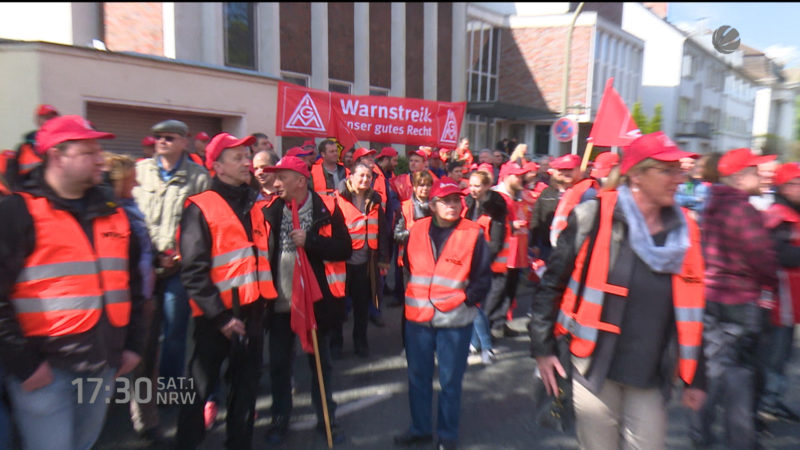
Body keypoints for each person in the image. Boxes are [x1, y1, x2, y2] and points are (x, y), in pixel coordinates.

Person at [529, 131, 707, 450]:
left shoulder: (686, 230)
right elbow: (551, 285)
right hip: (594, 366)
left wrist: (697, 376)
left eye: (679, 170)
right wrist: (542, 349)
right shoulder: (593, 216)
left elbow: (694, 308)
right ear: (636, 175)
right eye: (667, 170)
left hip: (651, 373)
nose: (679, 179)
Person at [0, 115, 146, 450]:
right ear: (56, 156)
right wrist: (25, 365)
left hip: (101, 367)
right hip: (45, 371)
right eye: (89, 152)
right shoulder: (17, 212)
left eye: (100, 150)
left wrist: (134, 344)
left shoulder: (114, 212)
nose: (101, 159)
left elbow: (134, 285)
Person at [174, 133, 274, 449]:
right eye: (238, 158)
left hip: (252, 314)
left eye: (248, 155)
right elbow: (193, 272)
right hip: (216, 320)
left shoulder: (255, 205)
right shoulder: (199, 208)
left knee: (245, 393)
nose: (248, 162)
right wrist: (220, 317)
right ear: (216, 165)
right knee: (198, 391)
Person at [690, 147, 779, 449]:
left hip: (711, 295)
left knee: (714, 369)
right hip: (740, 299)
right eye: (755, 171)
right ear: (740, 178)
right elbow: (762, 259)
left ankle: (700, 432)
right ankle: (741, 440)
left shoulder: (711, 204)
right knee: (740, 373)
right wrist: (770, 280)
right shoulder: (745, 211)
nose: (761, 176)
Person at [260, 156, 352, 446]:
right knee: (278, 366)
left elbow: (345, 249)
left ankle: (327, 418)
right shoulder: (268, 210)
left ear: (300, 181)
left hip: (317, 304)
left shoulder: (328, 208)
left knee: (320, 367)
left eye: (282, 178)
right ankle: (280, 419)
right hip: (279, 303)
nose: (275, 184)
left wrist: (310, 240)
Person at [394, 179, 492, 450]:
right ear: (433, 205)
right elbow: (409, 266)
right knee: (418, 379)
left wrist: (466, 300)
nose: (452, 205)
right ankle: (420, 429)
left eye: (455, 200)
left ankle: (447, 435)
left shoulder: (473, 232)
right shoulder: (418, 229)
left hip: (455, 320)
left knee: (450, 381)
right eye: (445, 200)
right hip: (418, 319)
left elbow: (483, 278)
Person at [133, 119, 211, 383]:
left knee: (174, 331)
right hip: (143, 265)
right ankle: (141, 390)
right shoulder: (139, 172)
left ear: (184, 142)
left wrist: (180, 254)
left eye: (169, 137)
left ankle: (169, 385)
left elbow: (203, 223)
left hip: (178, 266)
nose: (162, 141)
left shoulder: (199, 176)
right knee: (142, 330)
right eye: (158, 137)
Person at [105, 153, 166, 444]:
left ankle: (147, 423)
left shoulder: (132, 208)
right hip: (114, 304)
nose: (137, 182)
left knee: (145, 364)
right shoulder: (105, 212)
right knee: (107, 369)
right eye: (130, 178)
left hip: (143, 298)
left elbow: (141, 250)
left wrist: (157, 258)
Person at [330, 161, 391, 358]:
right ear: (351, 177)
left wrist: (383, 258)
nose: (365, 179)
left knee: (362, 306)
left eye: (368, 177)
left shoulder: (374, 200)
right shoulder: (336, 200)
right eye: (361, 176)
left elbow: (382, 231)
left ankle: (360, 343)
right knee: (338, 306)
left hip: (366, 263)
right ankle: (336, 344)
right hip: (341, 262)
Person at [759, 162, 800, 423]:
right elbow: (777, 254)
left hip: (789, 299)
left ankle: (772, 398)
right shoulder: (779, 214)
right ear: (784, 186)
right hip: (778, 299)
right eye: (798, 183)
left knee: (782, 353)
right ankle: (766, 403)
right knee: (775, 353)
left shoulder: (790, 212)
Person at [464, 169, 509, 364]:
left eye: (477, 185)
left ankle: (487, 347)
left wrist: (480, 264)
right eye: (471, 185)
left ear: (486, 186)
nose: (473, 189)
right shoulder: (469, 204)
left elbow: (496, 243)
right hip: (469, 260)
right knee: (473, 305)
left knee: (474, 306)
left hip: (484, 263)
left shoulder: (496, 208)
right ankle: (475, 343)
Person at [489, 162, 532, 338]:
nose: (521, 179)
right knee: (497, 291)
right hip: (503, 255)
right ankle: (487, 327)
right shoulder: (497, 197)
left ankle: (500, 323)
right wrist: (510, 225)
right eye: (517, 176)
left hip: (517, 253)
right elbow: (488, 223)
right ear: (507, 176)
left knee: (510, 290)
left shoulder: (518, 196)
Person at [531, 154, 582, 262]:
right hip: (546, 247)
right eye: (562, 169)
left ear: (578, 170)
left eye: (570, 169)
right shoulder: (546, 192)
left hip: (572, 248)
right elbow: (536, 217)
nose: (566, 173)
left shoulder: (582, 192)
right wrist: (534, 243)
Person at [675, 155, 711, 221]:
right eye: (685, 162)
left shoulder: (694, 184)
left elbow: (703, 205)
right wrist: (696, 199)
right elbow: (674, 200)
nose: (689, 165)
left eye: (692, 163)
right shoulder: (672, 181)